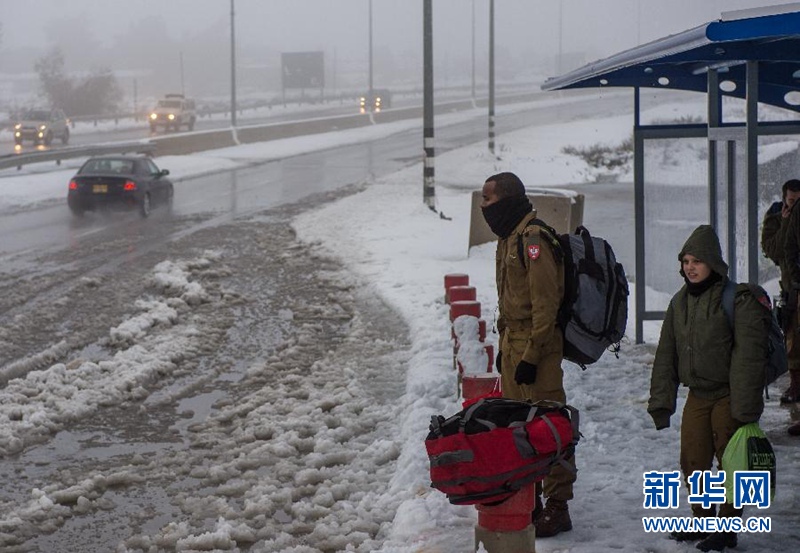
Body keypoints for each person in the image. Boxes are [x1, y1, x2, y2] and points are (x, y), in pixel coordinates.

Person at [648, 225, 769, 552]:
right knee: (693, 461)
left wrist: (744, 408)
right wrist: (662, 401)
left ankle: (727, 528)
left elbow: (749, 356)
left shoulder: (736, 299)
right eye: (686, 260)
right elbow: (666, 355)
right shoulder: (679, 302)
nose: (690, 266)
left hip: (730, 395)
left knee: (732, 462)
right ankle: (703, 521)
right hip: (698, 395)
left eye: (697, 260)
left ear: (713, 263)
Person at [480, 171, 576, 538]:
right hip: (512, 344)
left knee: (550, 426)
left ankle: (558, 505)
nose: (483, 207)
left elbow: (546, 305)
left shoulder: (533, 239)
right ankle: (532, 497)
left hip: (537, 346)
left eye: (487, 200)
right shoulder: (509, 238)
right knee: (518, 428)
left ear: (505, 200)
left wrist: (532, 356)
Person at [761, 178, 800, 418]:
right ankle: (796, 383)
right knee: (793, 339)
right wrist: (786, 224)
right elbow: (773, 251)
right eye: (792, 201)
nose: (795, 207)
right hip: (791, 286)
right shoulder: (776, 218)